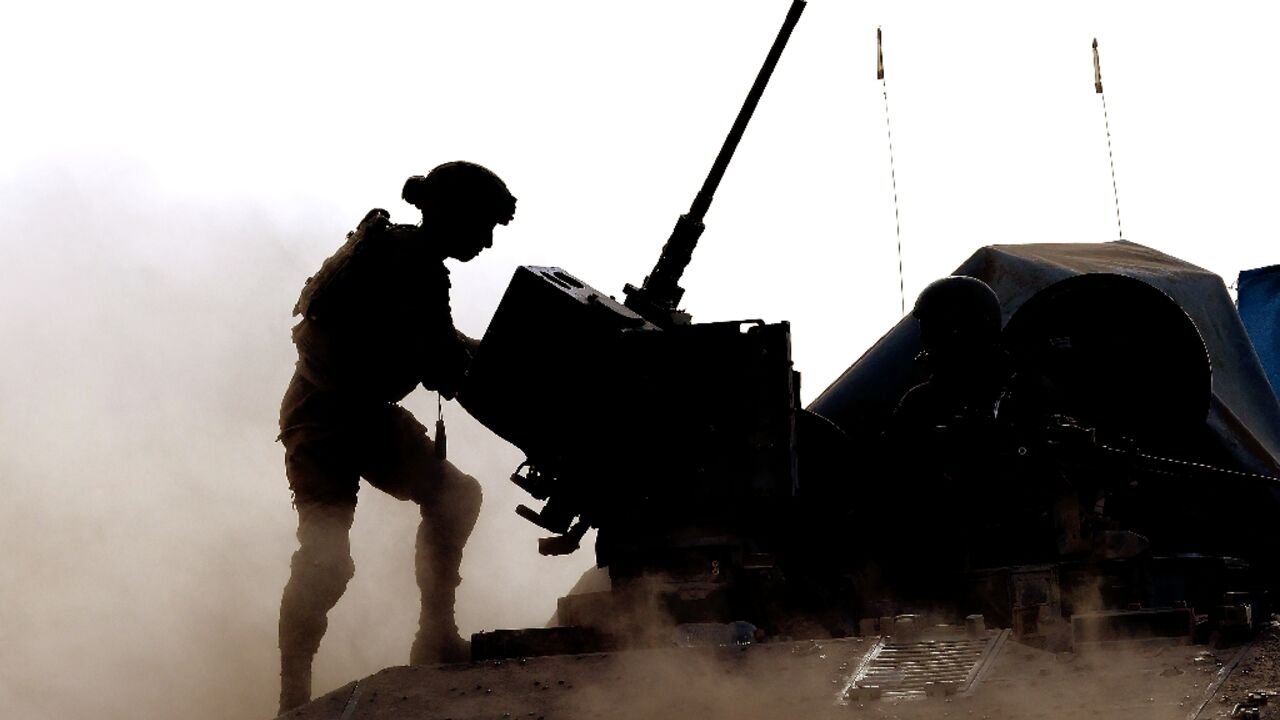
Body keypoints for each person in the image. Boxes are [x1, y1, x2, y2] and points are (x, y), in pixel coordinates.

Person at [275, 161, 516, 714]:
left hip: (363, 416)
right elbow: (444, 366)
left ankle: (434, 635)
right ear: (454, 217)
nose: (487, 239)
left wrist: (493, 358)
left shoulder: (410, 256)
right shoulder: (409, 263)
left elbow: (438, 341)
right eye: (483, 225)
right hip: (323, 419)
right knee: (326, 557)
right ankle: (292, 699)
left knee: (454, 495)